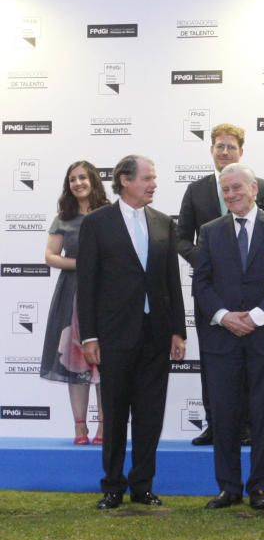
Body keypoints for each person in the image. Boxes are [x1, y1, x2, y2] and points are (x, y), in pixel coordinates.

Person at [77, 155, 186, 510]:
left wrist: (178, 331)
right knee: (114, 412)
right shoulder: (96, 223)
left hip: (156, 335)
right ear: (125, 180)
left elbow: (172, 281)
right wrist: (90, 336)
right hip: (114, 336)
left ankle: (142, 486)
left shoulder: (163, 222)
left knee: (150, 414)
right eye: (147, 178)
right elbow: (87, 283)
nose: (154, 184)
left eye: (154, 178)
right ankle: (112, 486)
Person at [193, 163, 264, 511]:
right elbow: (201, 284)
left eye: (237, 187)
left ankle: (260, 487)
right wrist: (224, 317)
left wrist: (253, 318)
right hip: (222, 339)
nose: (231, 194)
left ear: (254, 189)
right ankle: (228, 488)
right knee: (224, 414)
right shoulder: (209, 232)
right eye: (225, 190)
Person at [177, 123, 264, 448]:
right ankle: (215, 425)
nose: (224, 152)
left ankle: (250, 427)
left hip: (255, 296)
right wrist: (208, 262)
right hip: (212, 295)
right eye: (219, 146)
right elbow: (181, 238)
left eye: (231, 147)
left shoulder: (261, 186)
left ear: (241, 151)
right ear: (211, 150)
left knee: (253, 364)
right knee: (213, 363)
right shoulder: (196, 189)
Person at [40, 161, 109, 444]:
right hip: (72, 293)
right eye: (72, 179)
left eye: (82, 177)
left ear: (93, 180)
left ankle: (104, 428)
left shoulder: (109, 213)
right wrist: (81, 264)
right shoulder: (64, 217)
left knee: (104, 363)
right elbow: (50, 256)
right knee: (74, 363)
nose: (78, 183)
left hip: (105, 294)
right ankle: (80, 428)